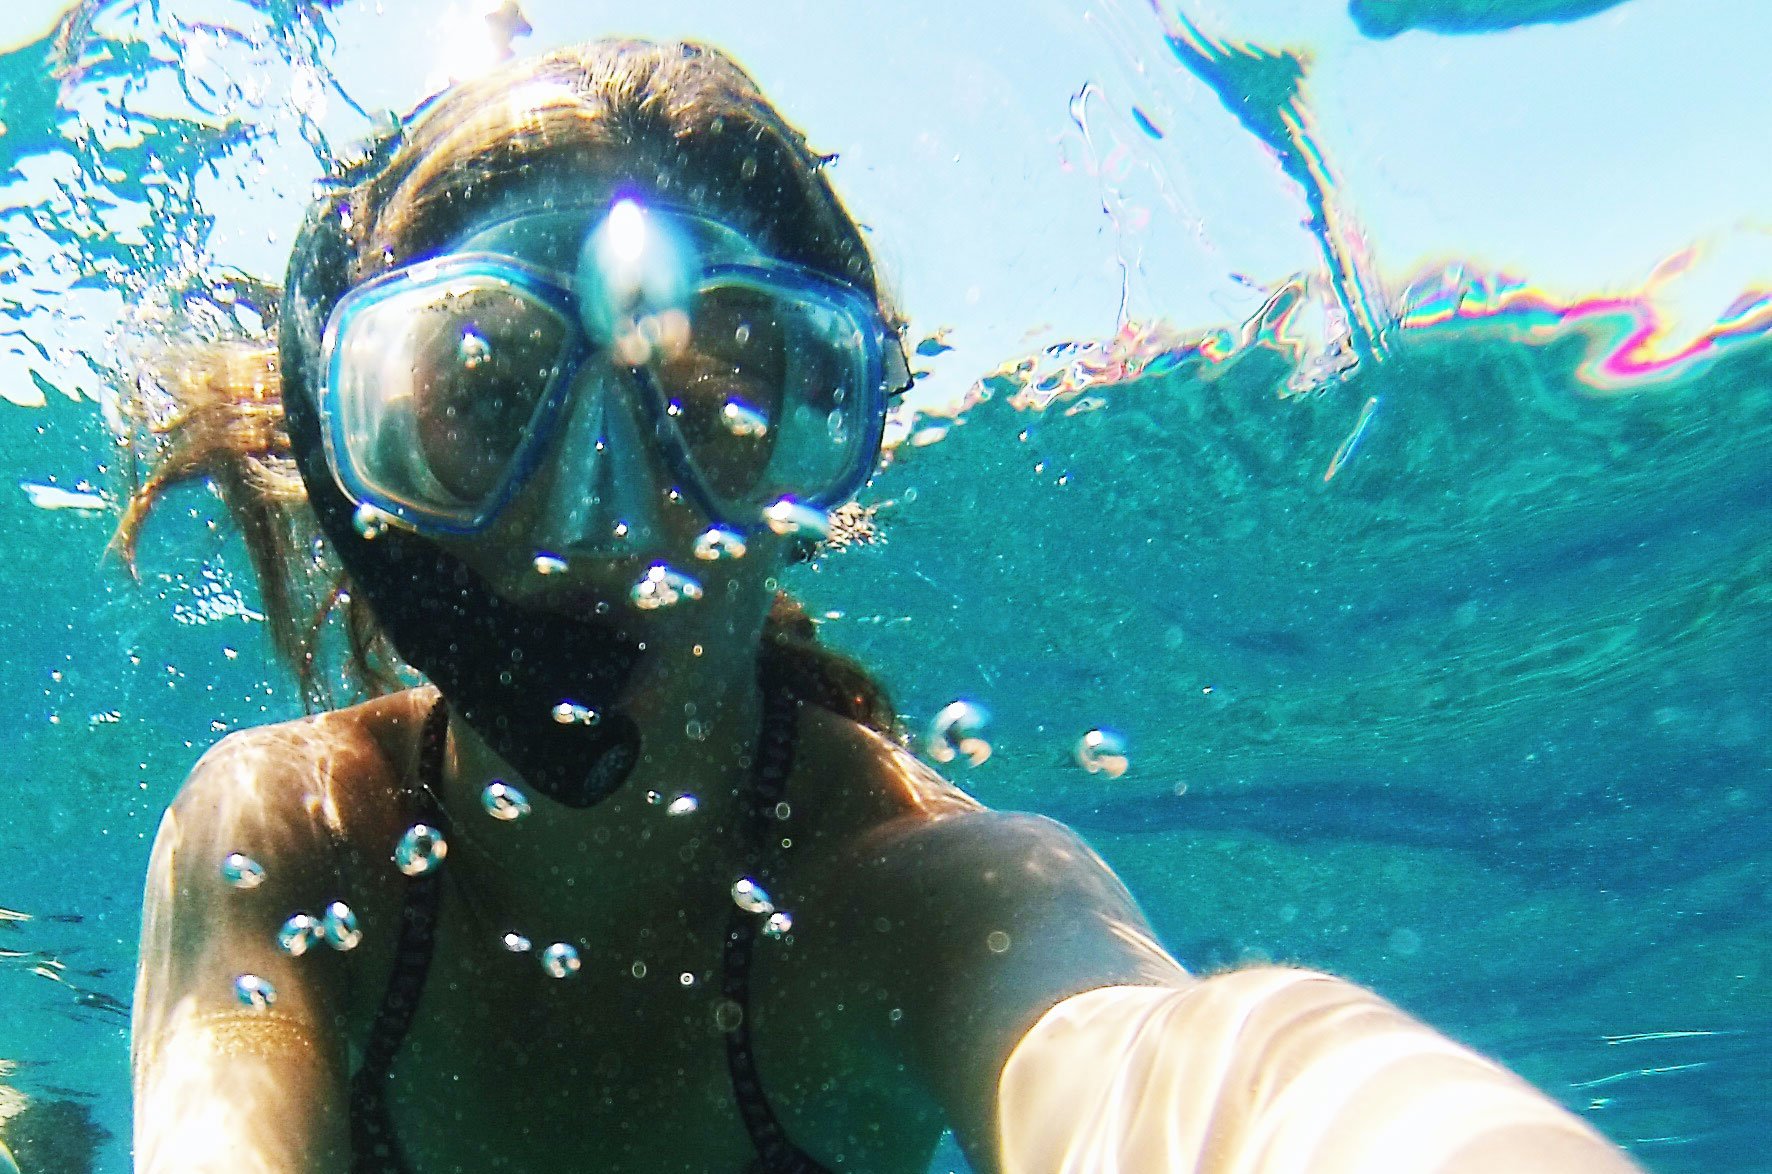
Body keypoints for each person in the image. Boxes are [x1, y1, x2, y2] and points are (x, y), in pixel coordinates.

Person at [125, 39, 1642, 1174]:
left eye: (720, 398)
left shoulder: (923, 897)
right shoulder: (287, 834)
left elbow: (1154, 1065)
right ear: (354, 467)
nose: (602, 510)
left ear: (819, 457)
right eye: (481, 391)